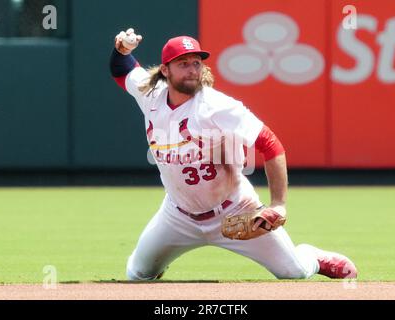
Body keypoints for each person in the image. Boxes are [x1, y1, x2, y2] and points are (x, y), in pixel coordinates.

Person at [109, 28, 357, 281]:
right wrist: (122, 50)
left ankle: (311, 256)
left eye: (196, 63)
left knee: (295, 272)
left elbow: (271, 145)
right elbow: (122, 70)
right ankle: (159, 261)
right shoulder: (150, 94)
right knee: (137, 275)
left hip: (235, 208)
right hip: (177, 215)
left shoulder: (217, 106)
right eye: (183, 64)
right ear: (165, 70)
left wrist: (278, 205)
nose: (192, 69)